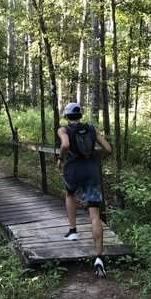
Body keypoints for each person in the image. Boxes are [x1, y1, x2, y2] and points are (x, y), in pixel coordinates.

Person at [57, 103, 112, 277]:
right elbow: (108, 149)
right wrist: (93, 153)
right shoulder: (91, 129)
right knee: (94, 213)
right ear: (80, 115)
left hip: (74, 170)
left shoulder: (63, 129)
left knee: (69, 193)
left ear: (67, 116)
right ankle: (99, 257)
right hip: (91, 170)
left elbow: (65, 145)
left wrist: (61, 158)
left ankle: (73, 231)